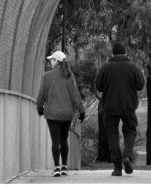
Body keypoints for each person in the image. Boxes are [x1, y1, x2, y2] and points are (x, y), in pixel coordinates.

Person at [95, 41, 145, 176]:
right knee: (130, 131)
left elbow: (98, 86)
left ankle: (117, 168)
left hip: (109, 107)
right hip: (128, 106)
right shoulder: (133, 67)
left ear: (112, 54)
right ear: (125, 53)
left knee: (112, 135)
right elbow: (140, 85)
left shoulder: (105, 68)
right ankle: (127, 156)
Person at [37, 49, 85, 177]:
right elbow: (75, 95)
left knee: (55, 141)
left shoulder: (46, 76)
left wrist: (40, 107)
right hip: (66, 114)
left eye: (51, 60)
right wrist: (81, 110)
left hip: (52, 114)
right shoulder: (70, 75)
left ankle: (57, 168)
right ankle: (64, 167)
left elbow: (41, 95)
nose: (50, 62)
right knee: (64, 140)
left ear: (55, 61)